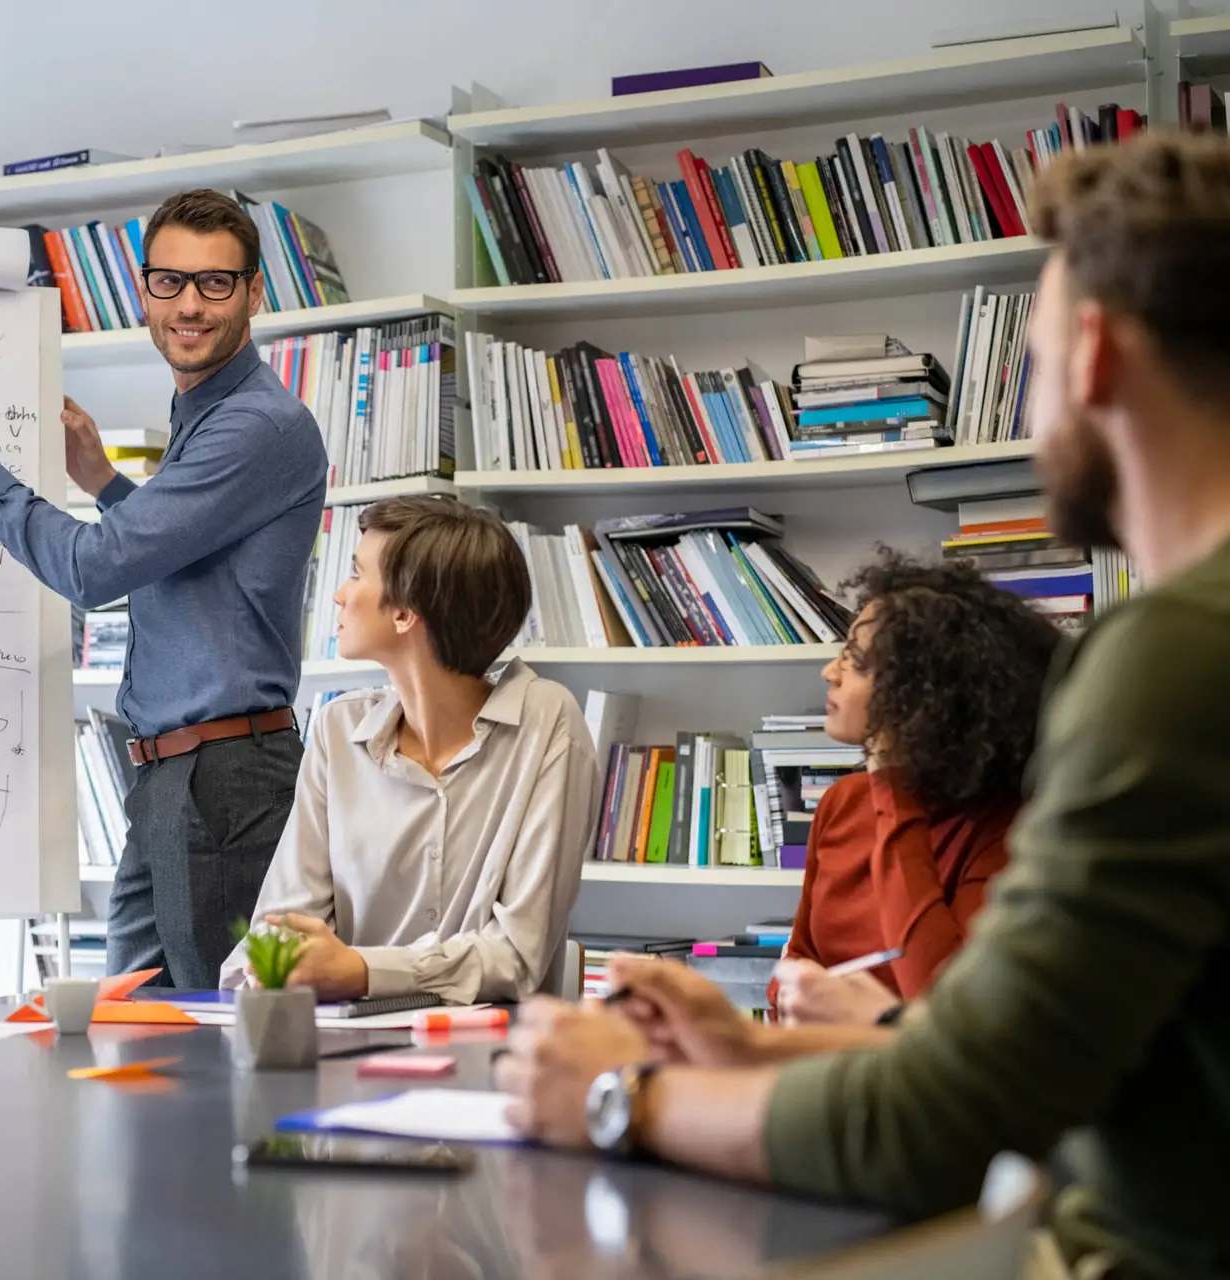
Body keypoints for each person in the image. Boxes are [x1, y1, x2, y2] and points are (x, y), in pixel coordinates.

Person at [495, 131, 1230, 1280]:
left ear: (1091, 356)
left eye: (1031, 362)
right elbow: (1055, 1054)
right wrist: (746, 1042)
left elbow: (952, 1117)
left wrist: (619, 1092)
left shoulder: (1175, 653)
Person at [0, 187, 328, 989]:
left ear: (253, 294)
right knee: (137, 1034)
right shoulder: (207, 414)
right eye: (169, 282)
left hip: (224, 781)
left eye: (214, 283)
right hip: (178, 780)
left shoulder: (256, 425)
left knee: (215, 1044)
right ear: (144, 289)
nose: (189, 305)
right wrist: (104, 484)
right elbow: (197, 573)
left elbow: (94, 571)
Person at [217, 497, 596, 1002]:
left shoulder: (548, 723)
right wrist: (274, 966)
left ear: (404, 612)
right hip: (339, 1050)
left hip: (491, 1057)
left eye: (356, 574)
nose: (338, 594)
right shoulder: (338, 729)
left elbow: (516, 955)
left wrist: (360, 970)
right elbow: (282, 925)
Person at [770, 551, 1059, 1026]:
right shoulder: (843, 802)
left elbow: (942, 998)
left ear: (924, 692)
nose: (830, 671)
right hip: (822, 1064)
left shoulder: (1006, 827)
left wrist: (889, 779)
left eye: (856, 660)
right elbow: (796, 960)